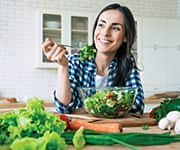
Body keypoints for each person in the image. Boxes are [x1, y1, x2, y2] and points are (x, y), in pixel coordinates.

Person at [42, 3, 144, 115]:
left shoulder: (127, 65)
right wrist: (63, 66)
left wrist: (87, 109)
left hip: (114, 131)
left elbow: (137, 107)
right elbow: (64, 109)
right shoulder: (75, 61)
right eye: (101, 25)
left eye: (115, 28)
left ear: (125, 37)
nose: (105, 33)